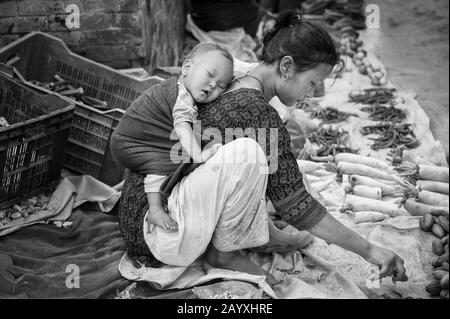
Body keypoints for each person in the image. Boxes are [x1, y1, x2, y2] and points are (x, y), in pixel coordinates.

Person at [117, 11, 408, 286]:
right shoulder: (255, 111)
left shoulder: (237, 75)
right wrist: (371, 251)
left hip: (141, 215)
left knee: (267, 159)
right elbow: (297, 206)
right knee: (251, 155)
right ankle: (224, 255)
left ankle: (234, 244)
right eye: (312, 82)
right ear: (286, 66)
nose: (312, 93)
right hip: (156, 233)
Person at [110, 43, 234, 232]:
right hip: (130, 141)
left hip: (133, 137)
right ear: (186, 68)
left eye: (221, 85)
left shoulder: (179, 87)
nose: (213, 85)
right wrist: (199, 155)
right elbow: (183, 128)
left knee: (172, 156)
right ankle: (155, 209)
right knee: (164, 162)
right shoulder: (181, 98)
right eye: (210, 75)